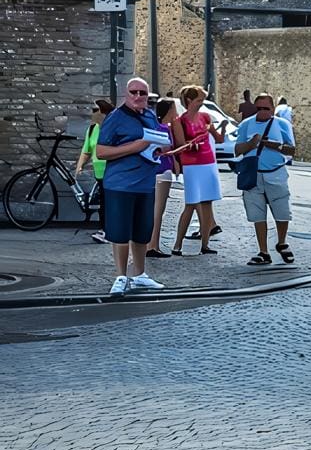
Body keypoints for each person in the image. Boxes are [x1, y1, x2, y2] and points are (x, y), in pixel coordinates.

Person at [94, 78, 166, 295]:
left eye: (142, 93)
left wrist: (158, 149)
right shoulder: (115, 118)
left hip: (145, 183)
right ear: (126, 94)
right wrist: (135, 147)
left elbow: (154, 142)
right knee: (120, 232)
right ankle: (120, 276)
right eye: (133, 92)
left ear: (148, 96)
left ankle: (139, 274)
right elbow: (101, 152)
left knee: (142, 232)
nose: (137, 96)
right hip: (120, 183)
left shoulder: (150, 115)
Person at [236, 93, 298, 266]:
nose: (262, 112)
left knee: (282, 210)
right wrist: (252, 144)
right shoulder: (246, 125)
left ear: (272, 109)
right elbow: (238, 149)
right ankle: (263, 251)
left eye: (266, 108)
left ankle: (282, 242)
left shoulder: (282, 124)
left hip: (275, 173)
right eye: (259, 108)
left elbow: (291, 150)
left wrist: (273, 145)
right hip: (253, 174)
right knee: (257, 214)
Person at [171, 85, 225, 256]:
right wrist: (193, 143)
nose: (202, 103)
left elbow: (219, 139)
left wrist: (220, 127)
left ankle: (205, 244)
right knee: (191, 203)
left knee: (208, 203)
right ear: (189, 101)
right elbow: (180, 144)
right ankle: (177, 244)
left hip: (208, 162)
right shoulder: (180, 120)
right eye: (199, 100)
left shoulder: (206, 117)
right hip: (192, 164)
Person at [147, 98, 186, 258]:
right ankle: (153, 245)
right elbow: (168, 147)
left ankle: (151, 244)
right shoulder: (163, 128)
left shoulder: (156, 126)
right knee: (158, 210)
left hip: (156, 169)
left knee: (154, 209)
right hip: (163, 170)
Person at [75, 99, 114, 243]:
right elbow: (86, 150)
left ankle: (107, 231)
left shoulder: (111, 127)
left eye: (94, 110)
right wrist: (80, 165)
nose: (92, 114)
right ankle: (106, 230)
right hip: (99, 172)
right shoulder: (92, 129)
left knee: (107, 202)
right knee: (104, 202)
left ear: (103, 112)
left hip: (112, 169)